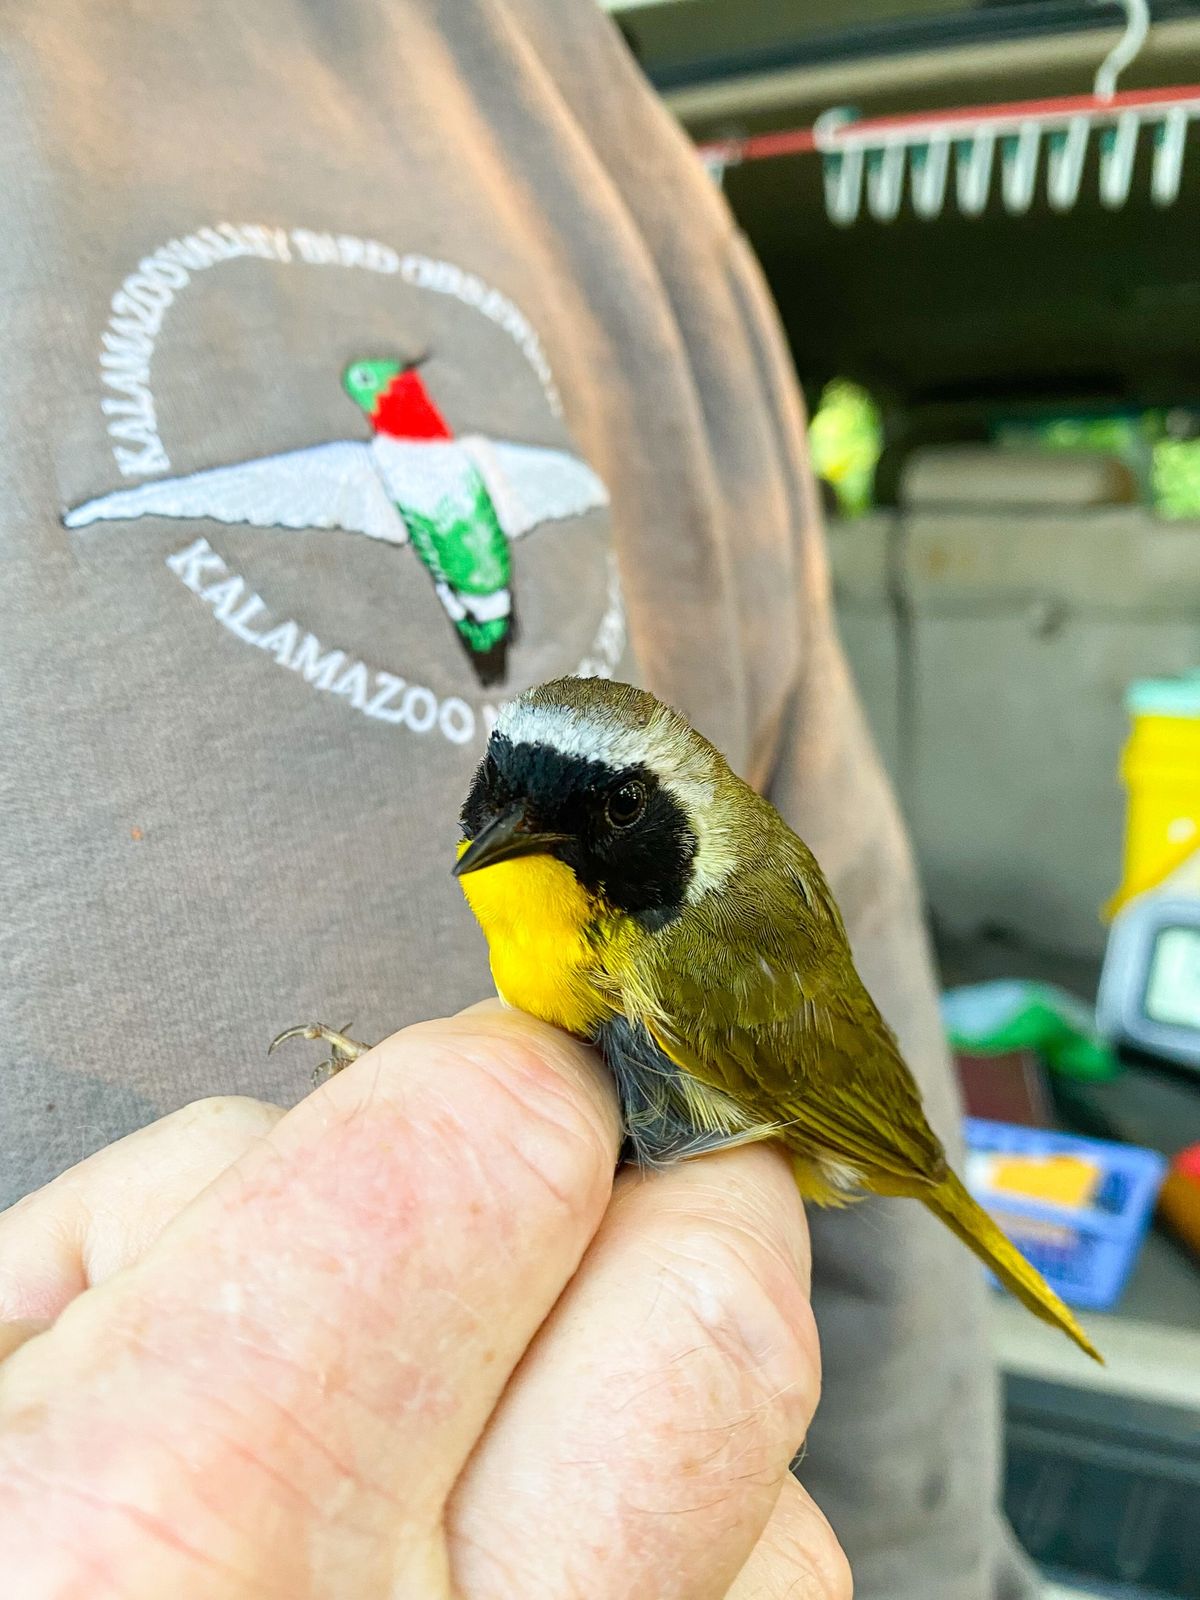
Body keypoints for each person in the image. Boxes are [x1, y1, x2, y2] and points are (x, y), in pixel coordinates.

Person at [0, 2, 1033, 1595]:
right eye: (502, 803)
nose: (505, 840)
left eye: (585, 822)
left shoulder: (693, 955)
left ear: (662, 836)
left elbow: (865, 1181)